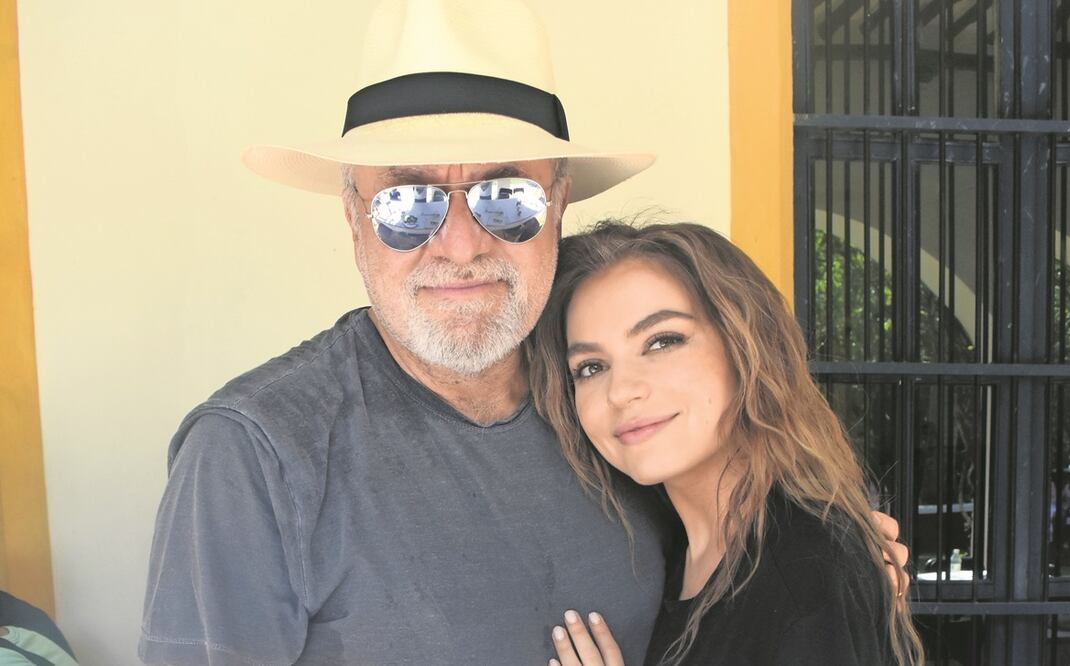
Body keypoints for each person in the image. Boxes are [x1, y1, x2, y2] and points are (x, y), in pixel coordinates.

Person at [140, 1, 910, 664]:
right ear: (353, 217)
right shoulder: (256, 454)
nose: (462, 243)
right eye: (408, 202)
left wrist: (830, 557)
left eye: (505, 196)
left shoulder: (608, 420)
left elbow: (739, 568)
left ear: (559, 203)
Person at [526, 221, 924, 665]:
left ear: (745, 347)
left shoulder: (806, 570)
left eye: (662, 342)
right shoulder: (665, 546)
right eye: (591, 367)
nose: (621, 391)